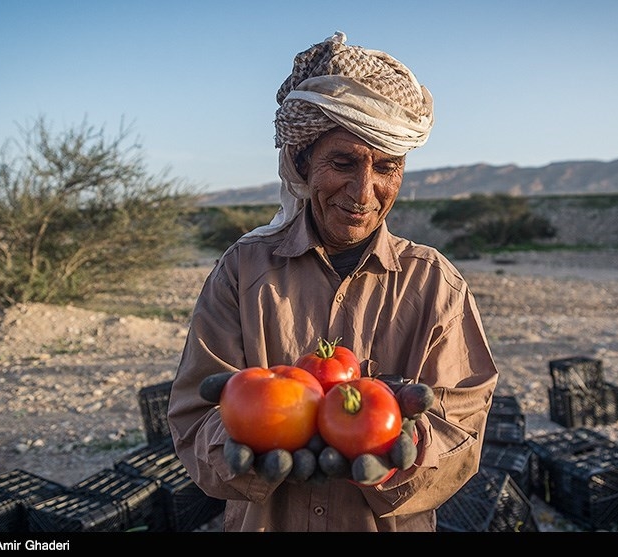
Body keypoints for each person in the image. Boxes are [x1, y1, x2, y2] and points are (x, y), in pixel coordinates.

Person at [167, 31, 499, 532]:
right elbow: (193, 416)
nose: (364, 192)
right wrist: (236, 445)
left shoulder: (435, 285)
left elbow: (463, 431)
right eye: (343, 163)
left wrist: (403, 454)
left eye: (385, 167)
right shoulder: (242, 271)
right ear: (302, 164)